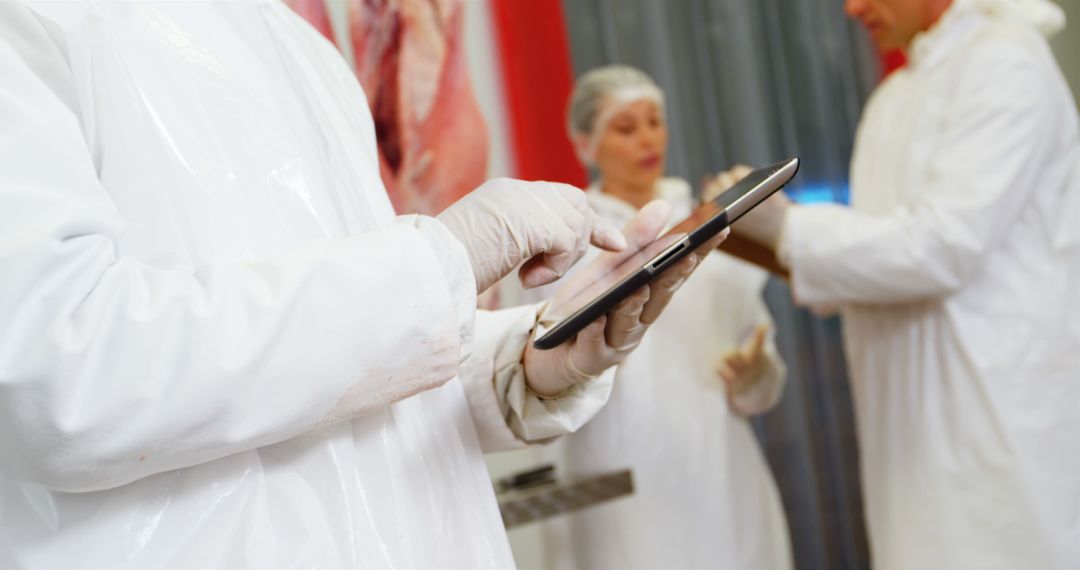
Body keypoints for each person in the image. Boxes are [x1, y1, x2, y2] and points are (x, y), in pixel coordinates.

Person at [0, 3, 722, 567]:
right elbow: (54, 373)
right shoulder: (33, 24)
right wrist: (441, 265)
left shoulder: (295, 44)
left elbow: (337, 370)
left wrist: (519, 363)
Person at [722, 0, 1080, 566]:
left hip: (995, 413)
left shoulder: (1006, 61)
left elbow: (945, 248)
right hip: (904, 424)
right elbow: (874, 262)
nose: (852, 8)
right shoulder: (893, 98)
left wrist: (791, 227)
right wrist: (762, 237)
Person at [505, 65, 792, 569]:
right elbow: (524, 382)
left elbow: (758, 360)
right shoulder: (565, 244)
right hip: (616, 475)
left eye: (655, 121)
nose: (647, 138)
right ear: (586, 144)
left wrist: (757, 374)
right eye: (625, 127)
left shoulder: (716, 233)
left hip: (719, 470)